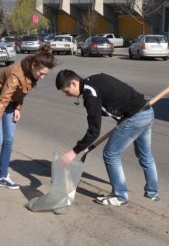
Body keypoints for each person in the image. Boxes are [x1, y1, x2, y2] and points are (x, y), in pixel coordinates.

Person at [55, 70, 159, 206]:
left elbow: (94, 131)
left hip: (135, 118)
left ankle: (120, 196)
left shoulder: (90, 94)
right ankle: (152, 194)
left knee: (110, 154)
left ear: (74, 83)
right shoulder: (93, 80)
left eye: (66, 91)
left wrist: (73, 152)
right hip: (146, 111)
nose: (67, 95)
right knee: (145, 154)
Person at [0, 45, 56, 198]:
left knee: (9, 140)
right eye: (41, 74)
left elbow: (20, 93)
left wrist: (18, 108)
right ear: (34, 65)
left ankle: (2, 176)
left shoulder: (31, 73)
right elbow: (2, 100)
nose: (42, 77)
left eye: (45, 75)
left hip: (9, 103)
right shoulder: (16, 75)